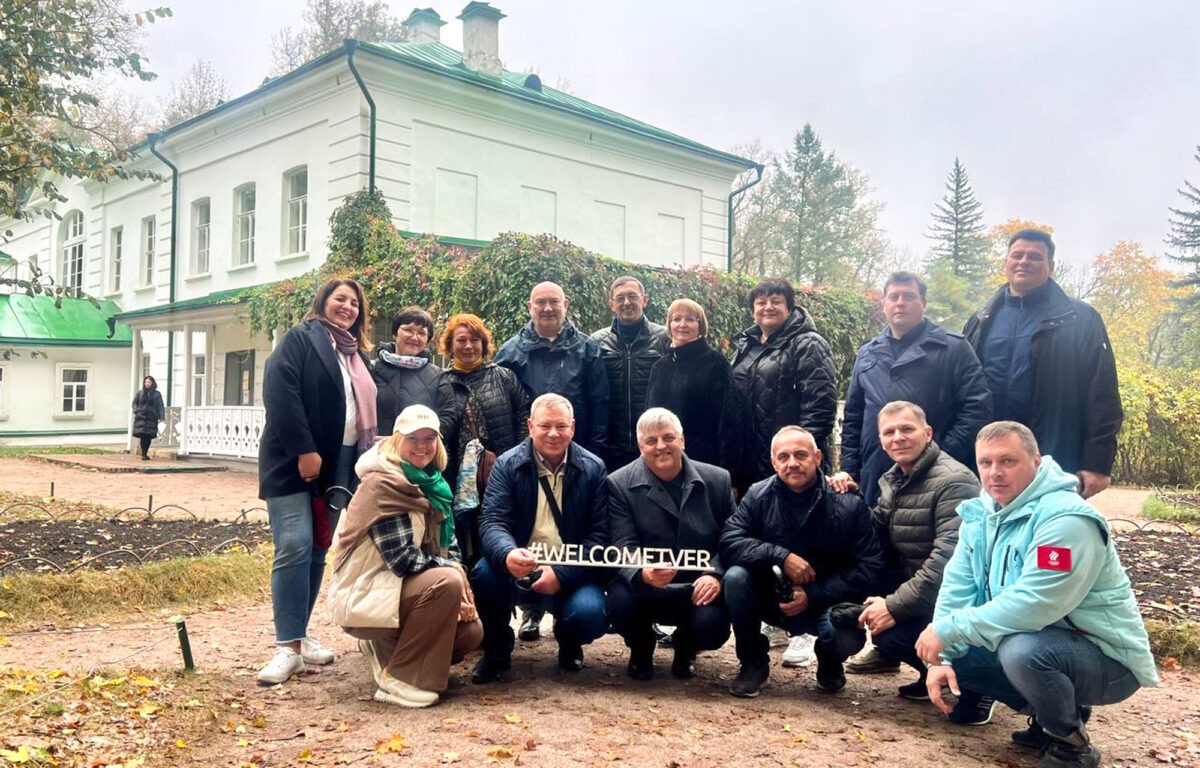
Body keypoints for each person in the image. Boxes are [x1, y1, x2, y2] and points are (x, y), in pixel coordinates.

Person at [916, 421, 1158, 768]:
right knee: (939, 646)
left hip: (1106, 660)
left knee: (1021, 650)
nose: (995, 472)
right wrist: (941, 658)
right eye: (986, 462)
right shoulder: (981, 514)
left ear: (1037, 462)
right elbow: (958, 586)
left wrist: (949, 629)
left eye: (1008, 461)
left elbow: (1036, 603)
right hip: (1044, 642)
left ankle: (1071, 746)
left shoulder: (1067, 519)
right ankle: (1050, 715)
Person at [256, 278, 378, 685]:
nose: (347, 307)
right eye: (340, 299)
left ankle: (300, 634)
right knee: (294, 544)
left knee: (318, 548)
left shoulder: (355, 354)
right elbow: (281, 393)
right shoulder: (301, 339)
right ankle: (286, 648)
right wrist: (304, 449)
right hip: (294, 458)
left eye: (354, 302)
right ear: (323, 301)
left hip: (340, 461)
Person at [327, 405, 482, 708]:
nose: (422, 446)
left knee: (471, 632)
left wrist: (460, 585)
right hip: (365, 593)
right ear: (397, 439)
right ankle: (399, 679)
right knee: (446, 583)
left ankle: (386, 650)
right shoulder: (384, 484)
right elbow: (402, 559)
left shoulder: (431, 483)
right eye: (413, 438)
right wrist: (454, 574)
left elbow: (447, 548)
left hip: (397, 592)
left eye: (429, 438)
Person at [720, 426, 883, 697]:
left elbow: (870, 568)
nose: (792, 463)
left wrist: (812, 594)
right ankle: (752, 662)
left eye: (801, 455)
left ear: (817, 457)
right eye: (783, 457)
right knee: (735, 578)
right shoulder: (758, 494)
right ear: (773, 462)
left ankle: (829, 658)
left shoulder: (849, 503)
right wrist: (780, 556)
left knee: (845, 637)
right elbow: (729, 541)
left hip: (827, 602)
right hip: (771, 598)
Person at [833, 401, 979, 698]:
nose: (898, 437)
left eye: (906, 429)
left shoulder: (954, 481)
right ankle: (932, 673)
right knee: (868, 595)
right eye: (889, 432)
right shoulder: (896, 478)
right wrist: (850, 500)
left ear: (928, 433)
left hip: (956, 599)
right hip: (922, 590)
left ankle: (975, 684)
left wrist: (893, 607)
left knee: (891, 632)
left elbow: (947, 563)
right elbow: (875, 536)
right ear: (881, 441)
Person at [963, 229, 1121, 500]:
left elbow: (1102, 393)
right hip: (988, 463)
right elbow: (962, 391)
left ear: (1051, 266)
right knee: (988, 527)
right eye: (1017, 255)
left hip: (1055, 457)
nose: (1024, 262)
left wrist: (1097, 462)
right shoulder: (980, 320)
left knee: (1053, 528)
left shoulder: (1080, 319)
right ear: (1006, 263)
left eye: (1035, 257)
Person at [495, 281, 609, 639]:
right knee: (527, 530)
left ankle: (567, 620)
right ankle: (530, 609)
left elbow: (600, 403)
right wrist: (514, 456)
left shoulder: (587, 349)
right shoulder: (511, 351)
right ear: (530, 306)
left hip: (577, 457)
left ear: (566, 304)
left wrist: (593, 453)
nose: (547, 308)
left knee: (570, 534)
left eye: (554, 302)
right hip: (526, 459)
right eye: (540, 302)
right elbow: (504, 407)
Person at [470, 393, 609, 683]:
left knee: (589, 613)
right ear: (531, 426)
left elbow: (599, 536)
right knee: (484, 575)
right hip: (520, 561)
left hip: (569, 564)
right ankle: (496, 653)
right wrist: (507, 554)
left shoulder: (594, 468)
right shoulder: (507, 465)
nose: (553, 433)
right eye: (545, 426)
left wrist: (562, 572)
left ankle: (569, 641)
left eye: (561, 426)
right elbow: (492, 521)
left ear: (573, 427)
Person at [831, 272, 991, 507]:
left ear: (923, 303)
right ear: (884, 304)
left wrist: (939, 455)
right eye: (894, 296)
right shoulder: (867, 353)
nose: (900, 303)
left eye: (908, 296)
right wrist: (850, 469)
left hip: (934, 477)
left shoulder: (953, 348)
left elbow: (977, 408)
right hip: (875, 473)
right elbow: (854, 416)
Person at [607, 408, 735, 681]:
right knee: (619, 603)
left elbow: (732, 539)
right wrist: (642, 571)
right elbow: (622, 544)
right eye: (651, 440)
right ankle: (641, 648)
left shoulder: (718, 480)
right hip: (646, 586)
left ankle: (686, 647)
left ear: (682, 440)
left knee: (713, 625)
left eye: (668, 438)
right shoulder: (618, 483)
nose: (660, 446)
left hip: (697, 585)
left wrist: (715, 574)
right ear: (640, 446)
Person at [731, 278, 837, 491]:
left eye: (776, 301)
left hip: (791, 464)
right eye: (761, 302)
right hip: (749, 462)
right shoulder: (745, 346)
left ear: (789, 307)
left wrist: (795, 456)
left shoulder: (808, 343)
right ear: (753, 310)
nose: (768, 307)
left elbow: (820, 408)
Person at [438, 313, 529, 559]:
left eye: (475, 340)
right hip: (456, 474)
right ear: (450, 345)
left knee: (497, 524)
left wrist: (517, 458)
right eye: (461, 340)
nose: (468, 346)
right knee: (460, 534)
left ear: (484, 344)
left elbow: (523, 415)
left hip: (499, 470)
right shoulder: (442, 382)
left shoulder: (504, 376)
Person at [646, 298, 739, 467]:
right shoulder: (659, 367)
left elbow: (729, 420)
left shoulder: (716, 364)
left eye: (689, 319)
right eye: (676, 319)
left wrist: (728, 469)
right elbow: (649, 416)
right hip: (661, 459)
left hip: (702, 462)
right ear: (669, 325)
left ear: (700, 325)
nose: (682, 324)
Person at [591, 276, 669, 470]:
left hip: (654, 442)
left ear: (645, 300)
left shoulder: (664, 338)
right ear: (612, 304)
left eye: (632, 296)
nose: (626, 303)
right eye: (620, 298)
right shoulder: (596, 342)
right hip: (611, 446)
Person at [373, 306, 450, 437]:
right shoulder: (372, 369)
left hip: (419, 448)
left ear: (428, 340)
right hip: (377, 447)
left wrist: (421, 439)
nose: (414, 337)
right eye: (408, 330)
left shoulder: (438, 377)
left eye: (421, 333)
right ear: (395, 333)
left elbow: (447, 415)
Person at [131, 375, 165, 461]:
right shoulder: (140, 393)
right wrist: (136, 410)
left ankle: (145, 452)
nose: (147, 383)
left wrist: (161, 416)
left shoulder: (157, 394)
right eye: (146, 382)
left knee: (148, 436)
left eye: (149, 382)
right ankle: (144, 454)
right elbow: (134, 402)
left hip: (151, 417)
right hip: (141, 417)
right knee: (143, 436)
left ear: (152, 383)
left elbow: (160, 405)